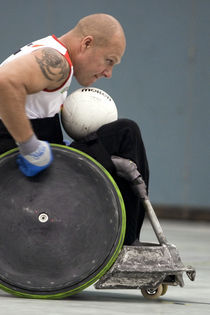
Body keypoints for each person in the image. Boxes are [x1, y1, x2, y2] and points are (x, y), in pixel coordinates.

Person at [0, 13, 149, 245]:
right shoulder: (57, 60)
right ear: (87, 43)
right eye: (109, 61)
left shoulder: (46, 49)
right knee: (125, 134)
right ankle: (127, 246)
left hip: (36, 163)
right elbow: (4, 83)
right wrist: (29, 146)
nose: (108, 73)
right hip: (16, 170)